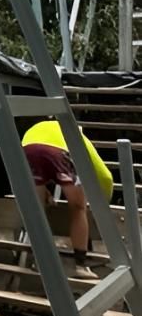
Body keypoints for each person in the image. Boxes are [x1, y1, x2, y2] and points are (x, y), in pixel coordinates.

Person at [21, 120, 113, 281]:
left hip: (28, 149)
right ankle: (80, 265)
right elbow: (105, 176)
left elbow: (40, 160)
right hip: (59, 152)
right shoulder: (76, 135)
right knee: (78, 208)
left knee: (37, 209)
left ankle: (39, 262)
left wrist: (46, 194)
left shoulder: (41, 126)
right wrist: (103, 202)